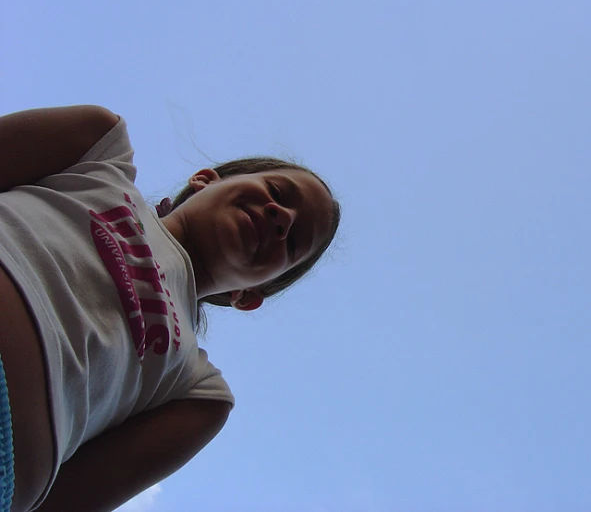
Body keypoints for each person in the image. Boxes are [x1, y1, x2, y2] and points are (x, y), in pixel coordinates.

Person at [0, 105, 341, 512]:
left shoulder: (199, 391)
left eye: (293, 241)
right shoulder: (98, 151)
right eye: (277, 192)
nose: (282, 217)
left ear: (248, 295)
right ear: (205, 179)